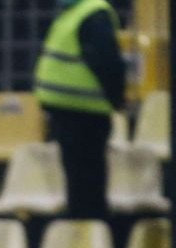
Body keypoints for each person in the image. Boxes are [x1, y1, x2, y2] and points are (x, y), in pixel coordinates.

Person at [34, 0, 125, 219]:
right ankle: (91, 228)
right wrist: (117, 98)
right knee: (89, 179)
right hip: (85, 108)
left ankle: (81, 227)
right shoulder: (94, 12)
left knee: (76, 178)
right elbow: (106, 60)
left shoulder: (71, 11)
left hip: (62, 104)